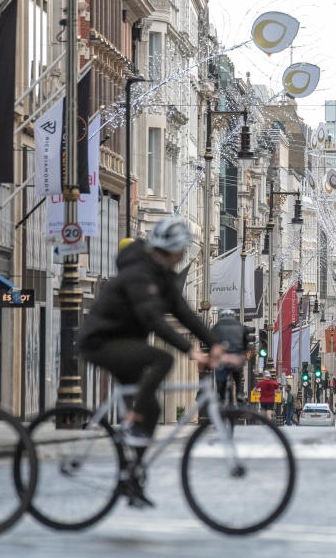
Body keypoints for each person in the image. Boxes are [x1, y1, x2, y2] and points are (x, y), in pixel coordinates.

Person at [77, 217, 225, 508]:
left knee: (152, 409)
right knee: (163, 358)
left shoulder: (162, 275)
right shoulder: (139, 273)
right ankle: (130, 423)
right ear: (170, 250)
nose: (184, 256)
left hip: (126, 342)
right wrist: (191, 351)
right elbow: (153, 320)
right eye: (181, 250)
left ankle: (133, 478)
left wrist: (214, 341)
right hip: (101, 343)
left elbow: (183, 312)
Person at [211, 310, 248, 405]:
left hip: (223, 357)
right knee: (238, 376)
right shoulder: (240, 326)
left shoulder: (216, 327)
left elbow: (211, 341)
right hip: (235, 357)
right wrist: (243, 354)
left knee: (220, 376)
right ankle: (239, 393)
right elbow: (245, 343)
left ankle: (221, 395)